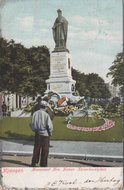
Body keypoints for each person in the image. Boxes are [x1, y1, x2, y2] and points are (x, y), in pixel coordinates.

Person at [31, 101, 53, 167]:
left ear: (40, 106)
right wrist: (50, 133)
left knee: (36, 149)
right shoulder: (46, 115)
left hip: (37, 133)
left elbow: (32, 124)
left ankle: (34, 163)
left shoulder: (35, 113)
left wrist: (34, 130)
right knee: (45, 150)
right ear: (45, 107)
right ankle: (43, 164)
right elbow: (49, 126)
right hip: (45, 134)